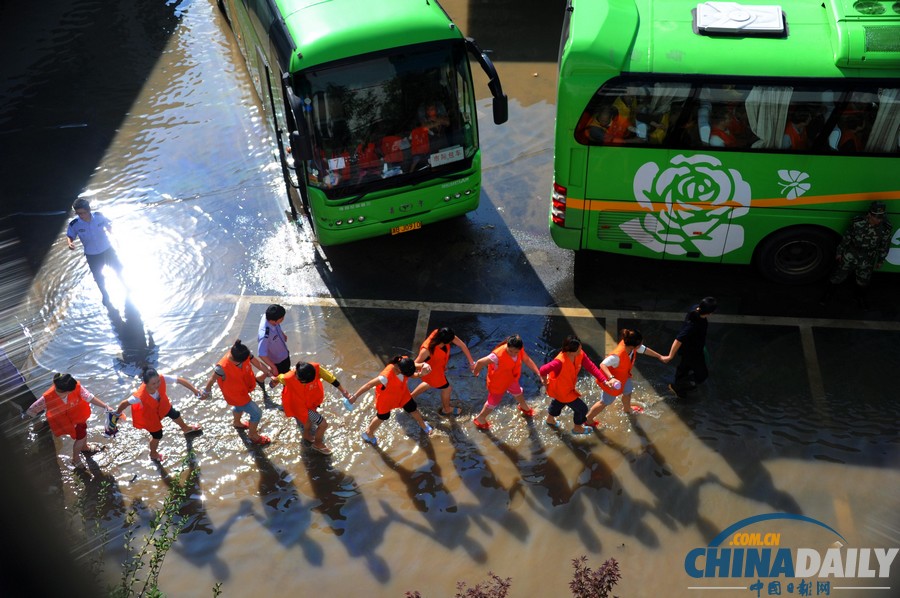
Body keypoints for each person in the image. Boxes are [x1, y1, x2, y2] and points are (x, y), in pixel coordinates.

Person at [23, 373, 114, 469]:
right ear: (66, 391)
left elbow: (89, 397)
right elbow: (32, 410)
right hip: (66, 422)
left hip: (79, 417)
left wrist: (105, 406)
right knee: (81, 437)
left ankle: (84, 447)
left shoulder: (75, 387)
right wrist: (27, 422)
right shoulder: (47, 398)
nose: (76, 390)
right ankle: (76, 459)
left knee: (82, 432)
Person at [114, 366, 202, 463]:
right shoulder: (139, 396)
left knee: (175, 414)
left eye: (158, 382)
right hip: (150, 416)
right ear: (145, 383)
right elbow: (124, 403)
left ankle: (185, 428)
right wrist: (117, 413)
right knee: (157, 435)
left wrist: (195, 391)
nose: (157, 385)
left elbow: (179, 380)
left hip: (163, 406)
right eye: (153, 384)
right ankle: (153, 453)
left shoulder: (162, 378)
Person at [346, 355, 434, 446]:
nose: (411, 376)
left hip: (402, 393)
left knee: (412, 408)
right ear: (400, 370)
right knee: (383, 416)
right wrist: (355, 396)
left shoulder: (403, 362)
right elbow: (368, 385)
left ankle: (423, 424)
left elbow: (414, 367)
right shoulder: (385, 377)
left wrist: (423, 366)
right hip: (386, 399)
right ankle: (368, 433)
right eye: (407, 374)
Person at [585, 329, 667, 425]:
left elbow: (644, 350)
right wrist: (611, 378)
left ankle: (627, 409)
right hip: (612, 382)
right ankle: (588, 419)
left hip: (624, 377)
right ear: (634, 346)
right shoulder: (617, 356)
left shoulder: (631, 346)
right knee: (605, 402)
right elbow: (602, 365)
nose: (641, 346)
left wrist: (660, 356)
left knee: (628, 392)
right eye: (640, 344)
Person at [200, 340, 275, 446]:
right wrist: (206, 391)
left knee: (239, 407)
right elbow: (212, 379)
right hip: (235, 394)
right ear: (236, 361)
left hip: (244, 388)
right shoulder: (222, 367)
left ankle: (237, 423)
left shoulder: (242, 353)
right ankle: (252, 435)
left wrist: (268, 373)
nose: (248, 359)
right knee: (257, 413)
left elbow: (257, 363)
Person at [822, 201, 893, 307]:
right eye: (876, 217)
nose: (879, 220)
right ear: (869, 214)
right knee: (838, 275)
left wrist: (881, 260)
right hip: (851, 253)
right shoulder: (857, 222)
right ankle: (828, 295)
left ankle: (860, 298)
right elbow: (847, 237)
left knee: (863, 280)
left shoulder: (885, 228)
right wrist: (840, 252)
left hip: (868, 257)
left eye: (881, 217)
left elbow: (884, 245)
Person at [273, 361, 351, 455]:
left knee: (307, 421)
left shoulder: (316, 369)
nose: (307, 383)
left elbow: (330, 378)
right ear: (297, 376)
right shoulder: (287, 378)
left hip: (312, 402)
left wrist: (343, 391)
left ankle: (306, 435)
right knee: (323, 424)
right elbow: (278, 378)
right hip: (301, 406)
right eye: (304, 382)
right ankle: (317, 444)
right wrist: (274, 380)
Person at [540, 335, 611, 435]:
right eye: (577, 351)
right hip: (563, 391)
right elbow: (543, 370)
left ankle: (550, 420)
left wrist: (603, 380)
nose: (580, 352)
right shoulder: (559, 362)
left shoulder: (579, 353)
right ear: (568, 351)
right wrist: (544, 381)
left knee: (558, 402)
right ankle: (577, 428)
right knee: (582, 409)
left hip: (564, 389)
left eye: (580, 348)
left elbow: (591, 367)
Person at [471, 334, 543, 430]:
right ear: (507, 346)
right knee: (493, 401)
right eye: (510, 351)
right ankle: (480, 418)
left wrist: (539, 373)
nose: (513, 353)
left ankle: (524, 407)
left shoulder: (519, 350)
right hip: (498, 383)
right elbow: (480, 362)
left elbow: (527, 360)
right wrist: (476, 372)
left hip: (511, 379)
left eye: (515, 352)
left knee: (518, 391)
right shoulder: (496, 356)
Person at [65, 198, 125, 306]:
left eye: (83, 213)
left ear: (88, 210)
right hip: (92, 255)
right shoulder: (75, 224)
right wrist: (70, 243)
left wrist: (115, 237)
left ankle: (125, 286)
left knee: (118, 269)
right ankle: (105, 294)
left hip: (107, 250)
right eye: (78, 213)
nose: (81, 216)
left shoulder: (99, 216)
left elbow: (109, 226)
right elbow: (70, 235)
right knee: (98, 277)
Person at [410, 327, 476, 417]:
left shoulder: (442, 334)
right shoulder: (427, 350)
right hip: (433, 373)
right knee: (447, 389)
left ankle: (411, 397)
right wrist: (421, 370)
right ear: (445, 342)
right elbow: (414, 364)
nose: (453, 341)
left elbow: (461, 345)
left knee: (428, 383)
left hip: (437, 370)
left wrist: (472, 362)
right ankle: (446, 409)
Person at [664, 297, 718, 399]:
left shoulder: (694, 309)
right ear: (710, 313)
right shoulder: (694, 325)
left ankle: (680, 390)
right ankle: (678, 386)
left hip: (688, 349)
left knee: (683, 369)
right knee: (702, 375)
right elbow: (679, 339)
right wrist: (670, 356)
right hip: (693, 353)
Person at [257, 304, 290, 397]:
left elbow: (277, 326)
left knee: (282, 373)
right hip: (279, 359)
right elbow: (261, 354)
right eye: (281, 318)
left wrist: (282, 334)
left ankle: (259, 379)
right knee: (285, 377)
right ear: (273, 320)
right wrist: (274, 367)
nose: (283, 320)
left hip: (283, 352)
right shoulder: (264, 334)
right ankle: (286, 394)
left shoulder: (268, 317)